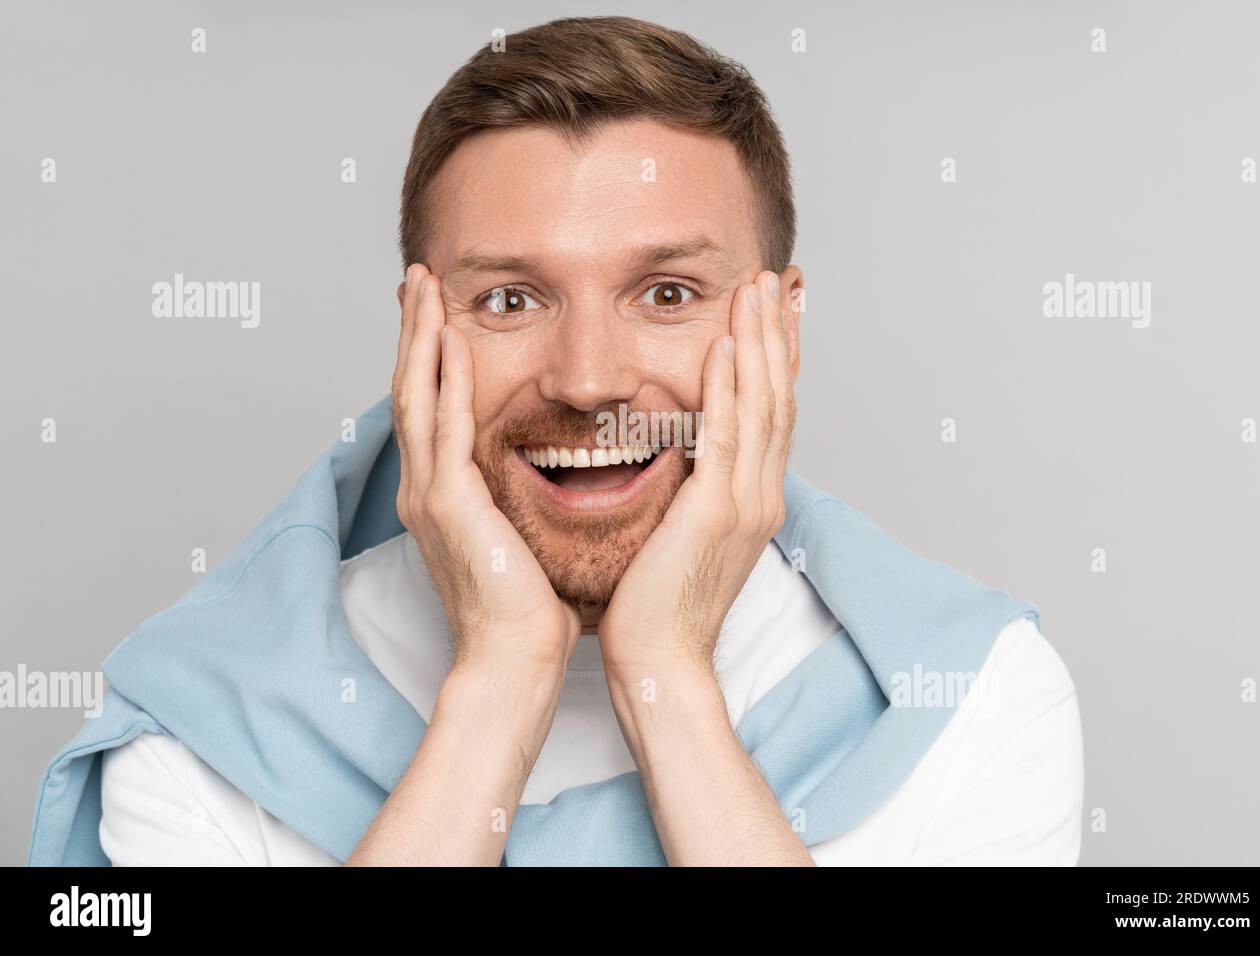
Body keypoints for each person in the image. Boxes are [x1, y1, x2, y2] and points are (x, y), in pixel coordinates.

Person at [29, 15, 1082, 867]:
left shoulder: (971, 699)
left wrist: (664, 671)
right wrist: (502, 672)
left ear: (779, 325)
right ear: (420, 332)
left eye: (666, 292)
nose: (588, 380)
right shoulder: (200, 729)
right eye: (511, 297)